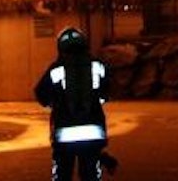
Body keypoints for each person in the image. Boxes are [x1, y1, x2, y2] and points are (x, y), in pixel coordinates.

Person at [34, 26, 118, 180]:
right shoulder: (98, 65)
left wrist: (55, 104)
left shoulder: (56, 68)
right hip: (93, 130)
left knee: (62, 175)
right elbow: (108, 92)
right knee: (90, 175)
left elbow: (40, 94)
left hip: (63, 132)